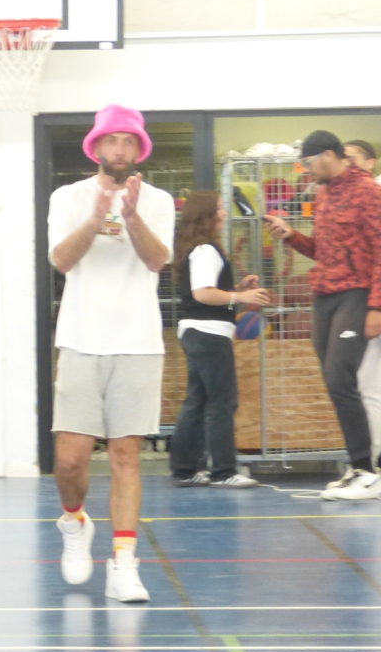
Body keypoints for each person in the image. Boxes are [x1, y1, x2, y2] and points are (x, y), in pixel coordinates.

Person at [48, 104, 175, 604]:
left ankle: (124, 564)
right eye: (112, 140)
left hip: (138, 342)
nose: (120, 149)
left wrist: (132, 216)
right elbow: (61, 259)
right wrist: (98, 216)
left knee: (126, 456)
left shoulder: (158, 200)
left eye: (129, 142)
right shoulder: (68, 197)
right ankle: (74, 521)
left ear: (139, 150)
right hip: (80, 339)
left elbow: (158, 260)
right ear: (96, 146)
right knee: (70, 459)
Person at [264, 130, 381, 500]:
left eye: (309, 163)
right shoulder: (325, 194)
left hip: (356, 294)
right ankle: (358, 467)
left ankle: (367, 471)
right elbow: (323, 251)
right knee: (334, 383)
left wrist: (377, 306)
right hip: (325, 296)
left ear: (329, 155)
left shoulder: (368, 192)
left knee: (341, 377)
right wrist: (290, 236)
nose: (306, 170)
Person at [168, 193, 272, 488]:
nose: (224, 212)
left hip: (198, 332)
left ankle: (185, 468)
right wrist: (241, 295)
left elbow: (207, 292)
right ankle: (223, 471)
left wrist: (236, 288)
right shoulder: (206, 250)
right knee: (222, 401)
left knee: (198, 400)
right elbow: (203, 293)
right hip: (209, 334)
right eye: (220, 208)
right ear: (207, 215)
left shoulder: (197, 249)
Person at [343, 140, 381, 469]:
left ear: (371, 162)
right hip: (368, 302)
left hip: (374, 304)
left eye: (352, 158)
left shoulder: (371, 193)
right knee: (369, 385)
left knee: (369, 387)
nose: (347, 164)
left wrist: (375, 308)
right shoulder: (350, 197)